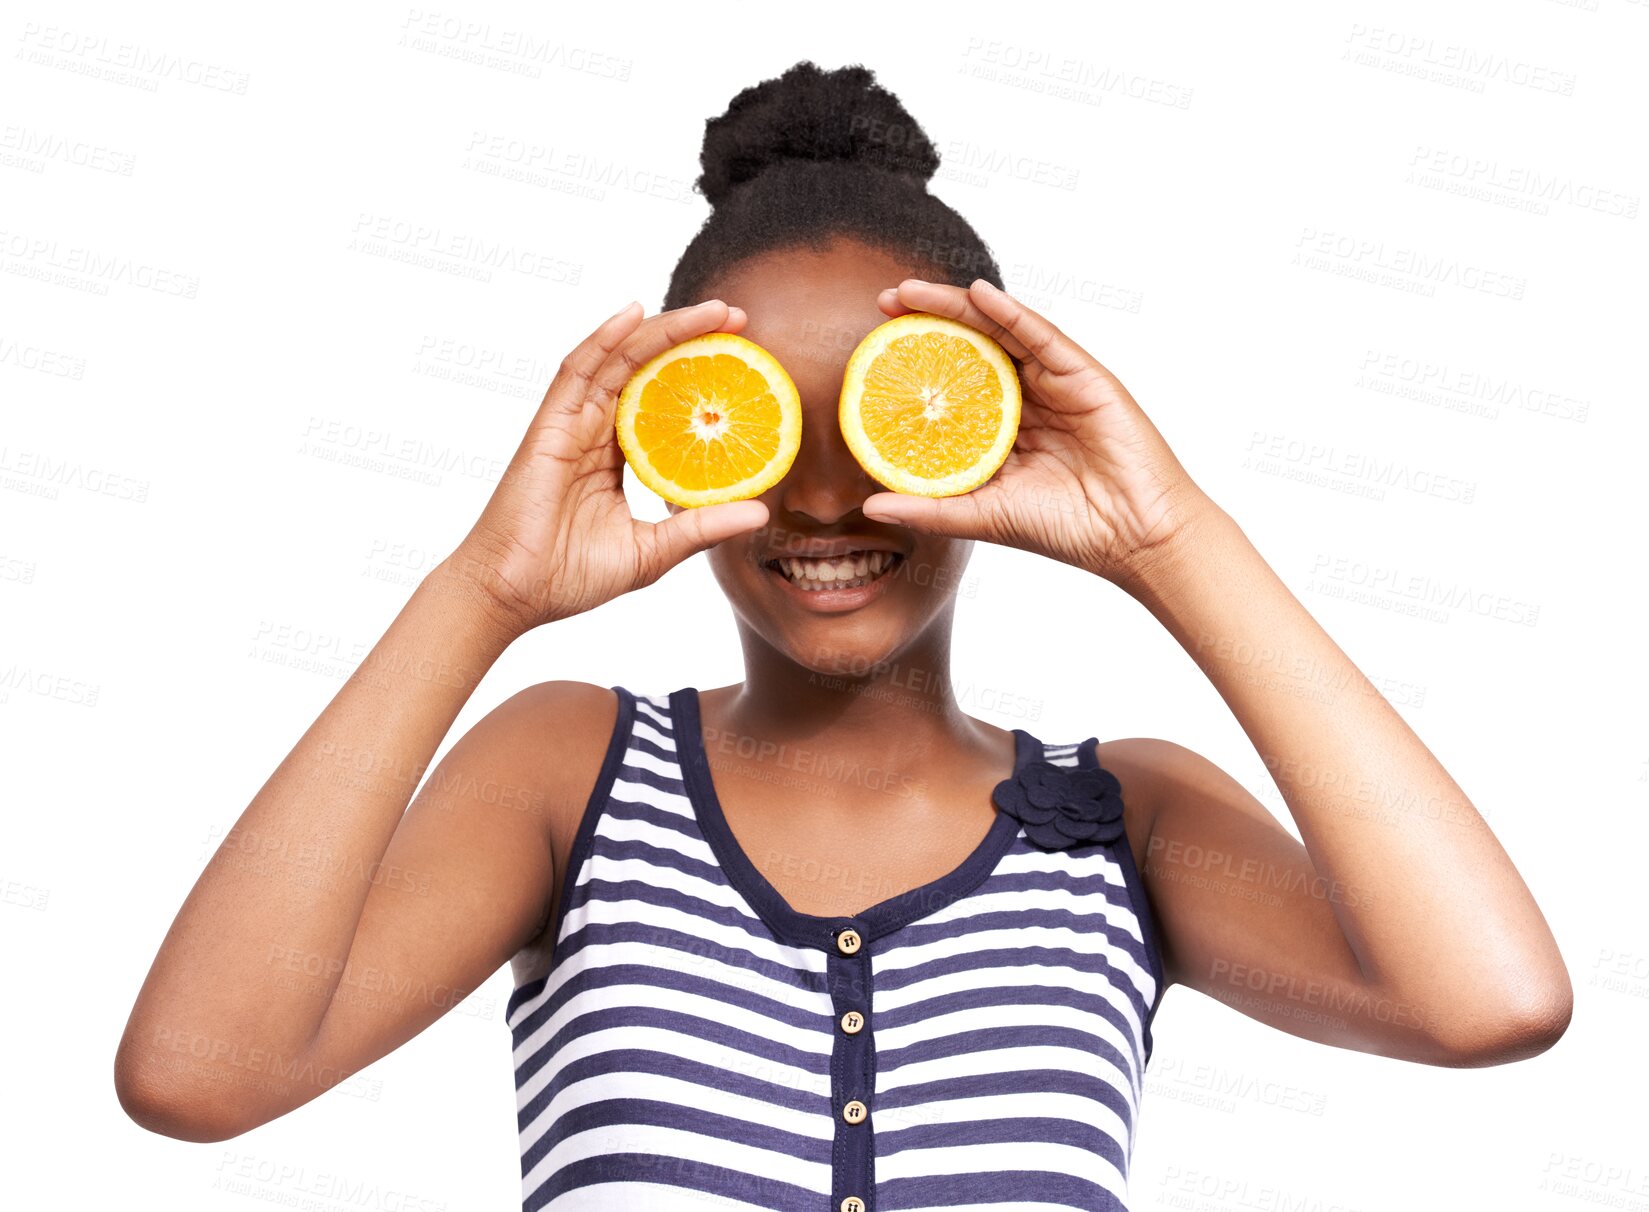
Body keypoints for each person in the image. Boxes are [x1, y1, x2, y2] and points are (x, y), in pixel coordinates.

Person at [114, 61, 1572, 1212]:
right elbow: (198, 1078)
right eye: (756, 431)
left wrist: (1169, 539)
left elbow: (1487, 1001)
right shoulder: (570, 769)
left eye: (881, 422)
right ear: (664, 442)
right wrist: (483, 590)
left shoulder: (1125, 821)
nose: (819, 496)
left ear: (985, 424)